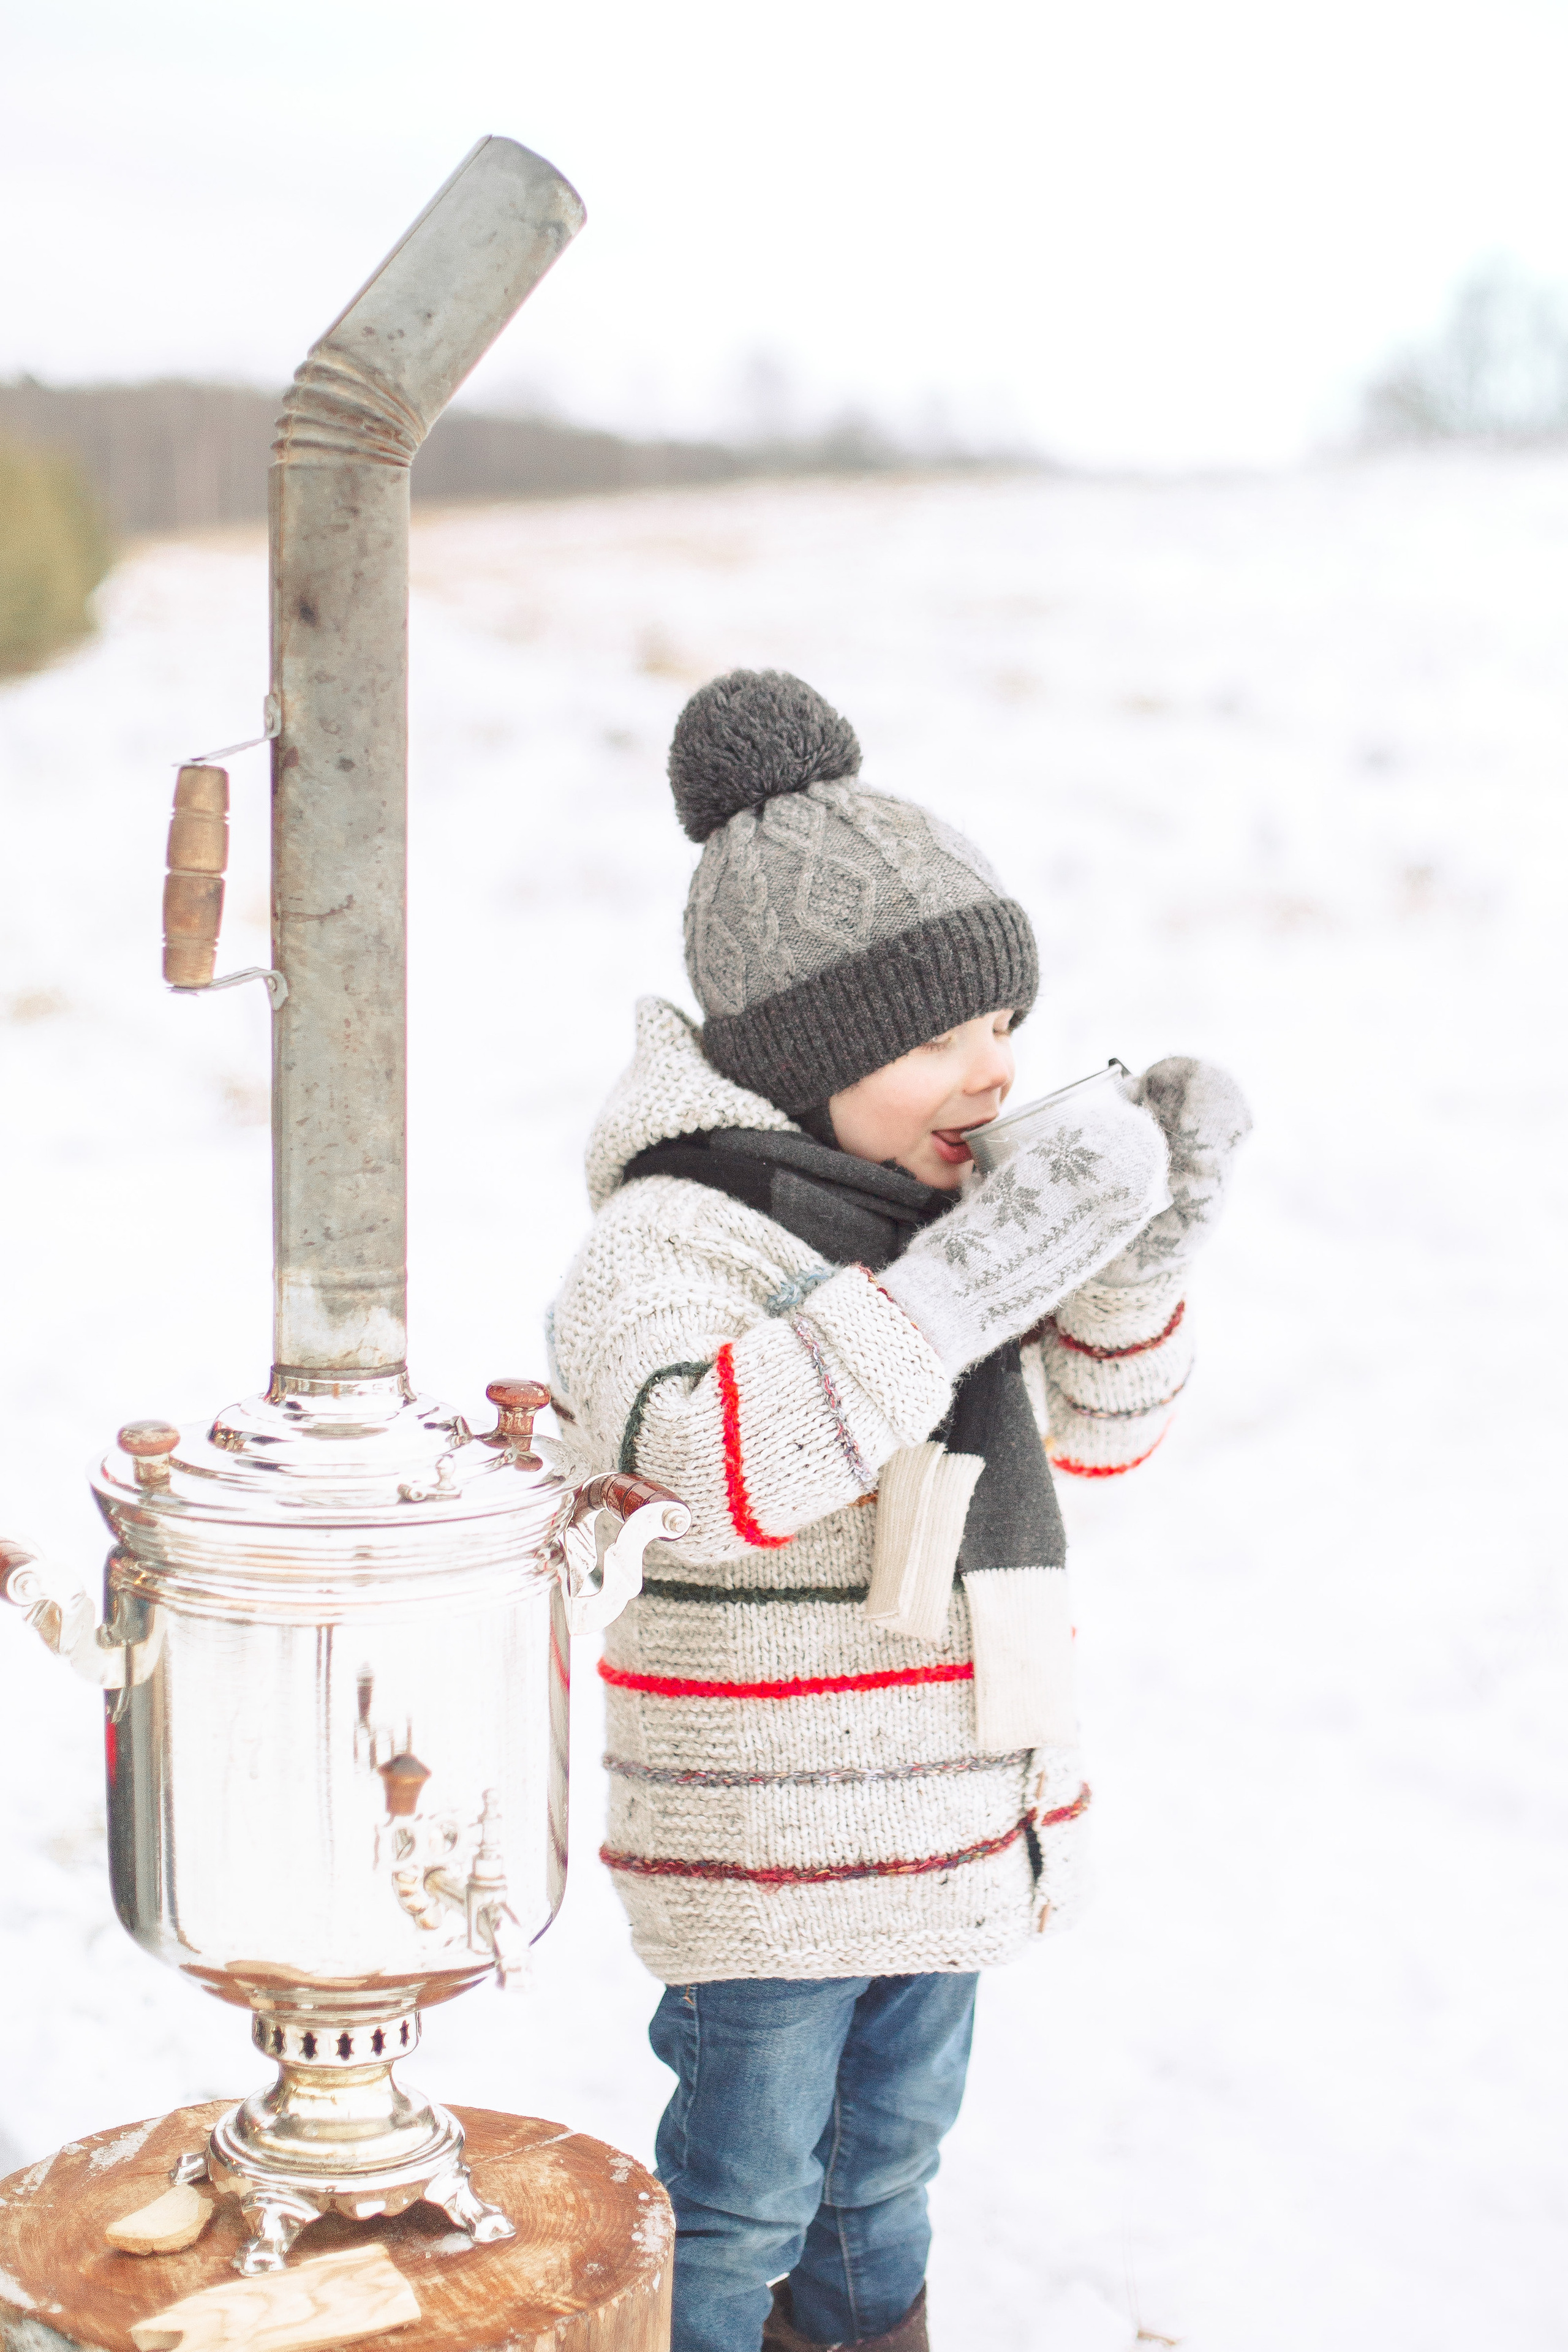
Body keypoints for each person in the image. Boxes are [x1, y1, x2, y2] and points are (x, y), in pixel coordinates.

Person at [547, 670, 1250, 2352]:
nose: (993, 1076)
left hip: (945, 1813)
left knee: (888, 2174)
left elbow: (1102, 1437)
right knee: (742, 2194)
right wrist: (957, 1288)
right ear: (809, 1055)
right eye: (941, 1036)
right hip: (770, 1843)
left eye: (1007, 1026)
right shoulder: (672, 1242)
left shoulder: (952, 1215)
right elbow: (714, 1475)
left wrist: (1134, 1259)